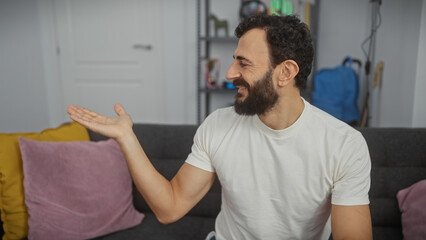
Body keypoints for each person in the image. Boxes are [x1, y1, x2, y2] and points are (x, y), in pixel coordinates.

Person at [67, 14, 373, 240]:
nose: (229, 73)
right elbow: (169, 207)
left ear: (285, 72)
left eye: (244, 63)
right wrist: (126, 138)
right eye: (233, 61)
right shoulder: (218, 125)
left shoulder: (344, 145)